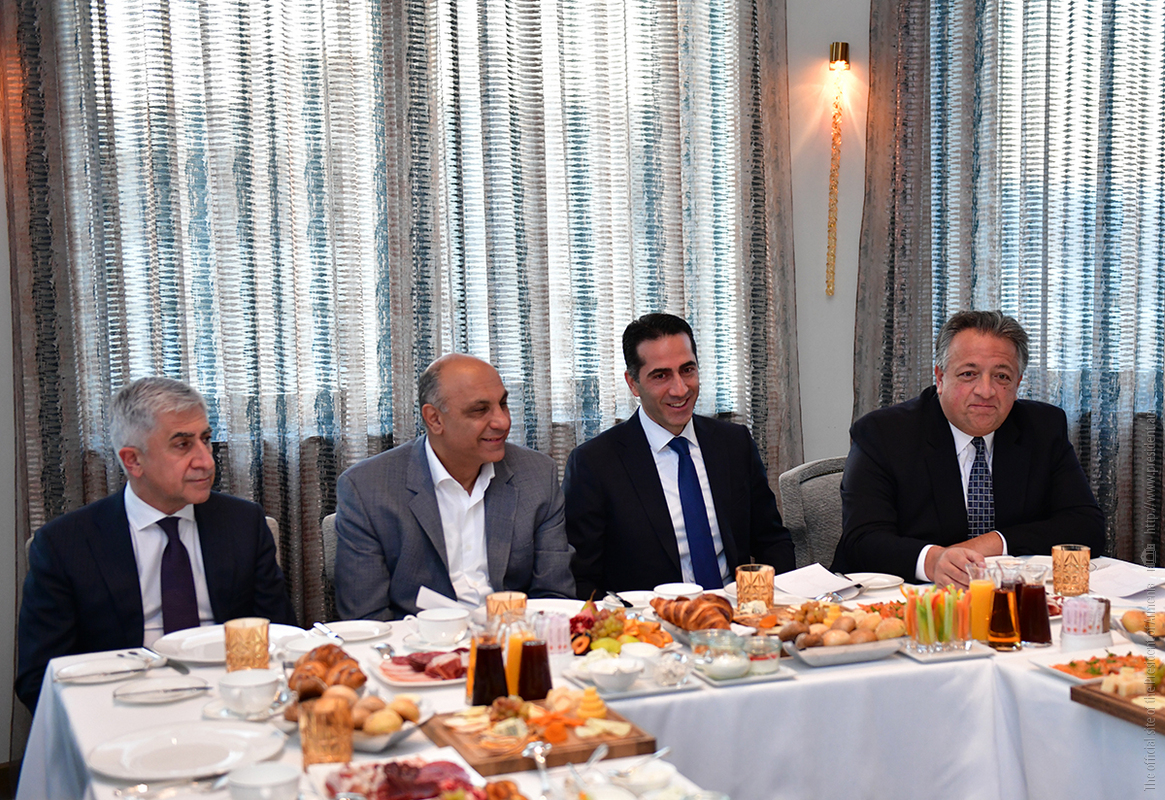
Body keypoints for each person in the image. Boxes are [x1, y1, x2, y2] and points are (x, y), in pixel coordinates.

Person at [16, 377, 296, 710]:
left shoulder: (243, 523)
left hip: (233, 700)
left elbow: (281, 637)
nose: (206, 461)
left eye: (206, 439)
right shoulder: (65, 545)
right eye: (183, 445)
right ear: (133, 461)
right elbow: (40, 677)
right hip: (121, 709)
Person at [831, 310, 1105, 588]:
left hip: (1006, 595)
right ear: (940, 378)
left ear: (1018, 383)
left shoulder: (1043, 428)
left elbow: (1086, 527)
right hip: (904, 597)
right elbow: (862, 541)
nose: (985, 391)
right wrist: (933, 560)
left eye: (1001, 376)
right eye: (968, 374)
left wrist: (992, 543)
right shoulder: (883, 433)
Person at [563, 313, 796, 600]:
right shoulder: (594, 464)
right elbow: (581, 578)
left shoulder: (733, 443)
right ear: (633, 383)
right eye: (661, 376)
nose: (680, 389)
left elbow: (771, 540)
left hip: (738, 613)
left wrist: (773, 605)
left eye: (687, 370)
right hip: (650, 620)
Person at [334, 354, 575, 620]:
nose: (503, 422)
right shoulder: (367, 488)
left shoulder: (536, 474)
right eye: (480, 410)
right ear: (435, 419)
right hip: (418, 639)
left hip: (515, 634)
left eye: (503, 404)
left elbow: (554, 597)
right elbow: (366, 617)